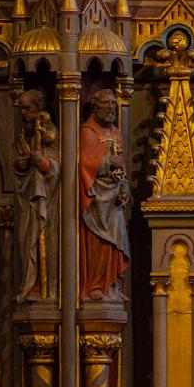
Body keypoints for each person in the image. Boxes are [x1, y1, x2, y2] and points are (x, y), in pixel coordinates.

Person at [79, 89, 130, 301]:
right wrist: (108, 162)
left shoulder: (116, 133)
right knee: (98, 242)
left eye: (113, 103)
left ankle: (113, 285)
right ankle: (95, 285)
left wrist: (124, 189)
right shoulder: (87, 132)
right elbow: (84, 164)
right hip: (96, 198)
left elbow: (122, 166)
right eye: (106, 103)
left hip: (115, 198)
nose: (111, 107)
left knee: (115, 242)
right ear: (95, 106)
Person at [12, 89, 60, 302]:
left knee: (45, 239)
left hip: (48, 200)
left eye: (27, 108)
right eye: (21, 109)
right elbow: (20, 165)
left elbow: (63, 166)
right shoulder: (26, 135)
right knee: (26, 240)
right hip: (29, 198)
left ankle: (44, 287)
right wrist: (21, 166)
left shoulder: (50, 132)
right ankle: (30, 283)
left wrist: (44, 163)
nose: (23, 113)